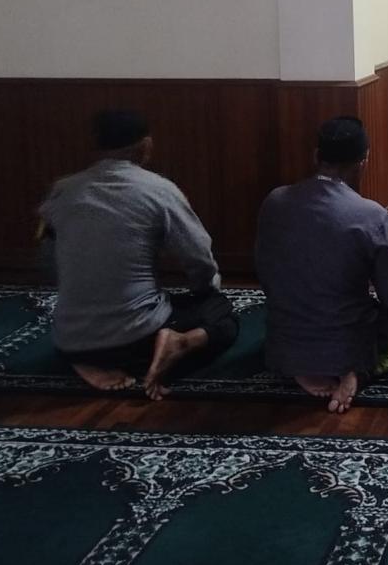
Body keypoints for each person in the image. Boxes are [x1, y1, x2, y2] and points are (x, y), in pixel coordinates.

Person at [39, 110, 239, 401]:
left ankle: (86, 361)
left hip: (70, 340)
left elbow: (48, 261)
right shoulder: (158, 190)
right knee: (222, 317)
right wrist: (205, 291)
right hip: (136, 339)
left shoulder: (62, 190)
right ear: (146, 145)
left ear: (97, 146)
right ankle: (176, 343)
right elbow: (198, 257)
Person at [255, 116, 388, 413]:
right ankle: (357, 371)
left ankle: (303, 367)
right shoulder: (371, 216)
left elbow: (266, 273)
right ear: (363, 162)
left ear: (316, 155)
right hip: (345, 345)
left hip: (283, 345)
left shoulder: (274, 201)